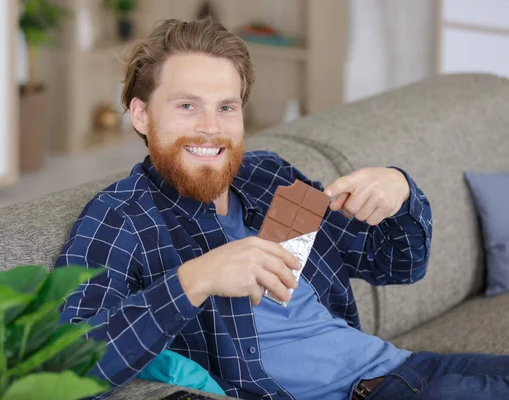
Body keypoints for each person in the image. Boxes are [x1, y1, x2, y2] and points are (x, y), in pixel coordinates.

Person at [54, 18, 509, 400]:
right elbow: (61, 369)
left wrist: (401, 192)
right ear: (141, 115)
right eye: (187, 105)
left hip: (407, 368)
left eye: (226, 107)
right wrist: (196, 279)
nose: (211, 128)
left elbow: (398, 265)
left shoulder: (268, 178)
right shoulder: (123, 217)